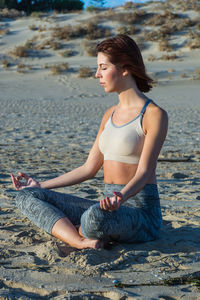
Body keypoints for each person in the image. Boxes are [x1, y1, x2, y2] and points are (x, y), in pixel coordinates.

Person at [11, 34, 168, 250]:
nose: (97, 74)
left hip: (140, 214)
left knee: (92, 218)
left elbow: (144, 172)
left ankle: (76, 231)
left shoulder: (153, 114)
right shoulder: (109, 114)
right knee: (26, 196)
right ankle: (80, 240)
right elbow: (88, 168)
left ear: (125, 68)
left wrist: (120, 198)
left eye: (103, 67)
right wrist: (41, 185)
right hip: (108, 206)